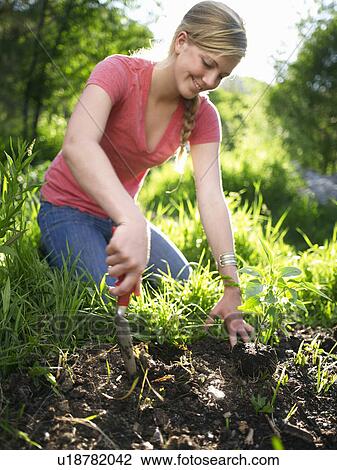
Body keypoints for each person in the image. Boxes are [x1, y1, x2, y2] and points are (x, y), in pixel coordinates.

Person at [37, 0, 254, 347]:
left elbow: (211, 197)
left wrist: (232, 286)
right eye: (208, 64)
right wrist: (132, 220)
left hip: (117, 219)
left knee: (181, 281)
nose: (211, 81)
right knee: (106, 302)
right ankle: (54, 249)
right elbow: (78, 144)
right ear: (181, 42)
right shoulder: (119, 72)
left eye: (222, 75)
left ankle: (101, 245)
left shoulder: (204, 116)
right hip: (66, 210)